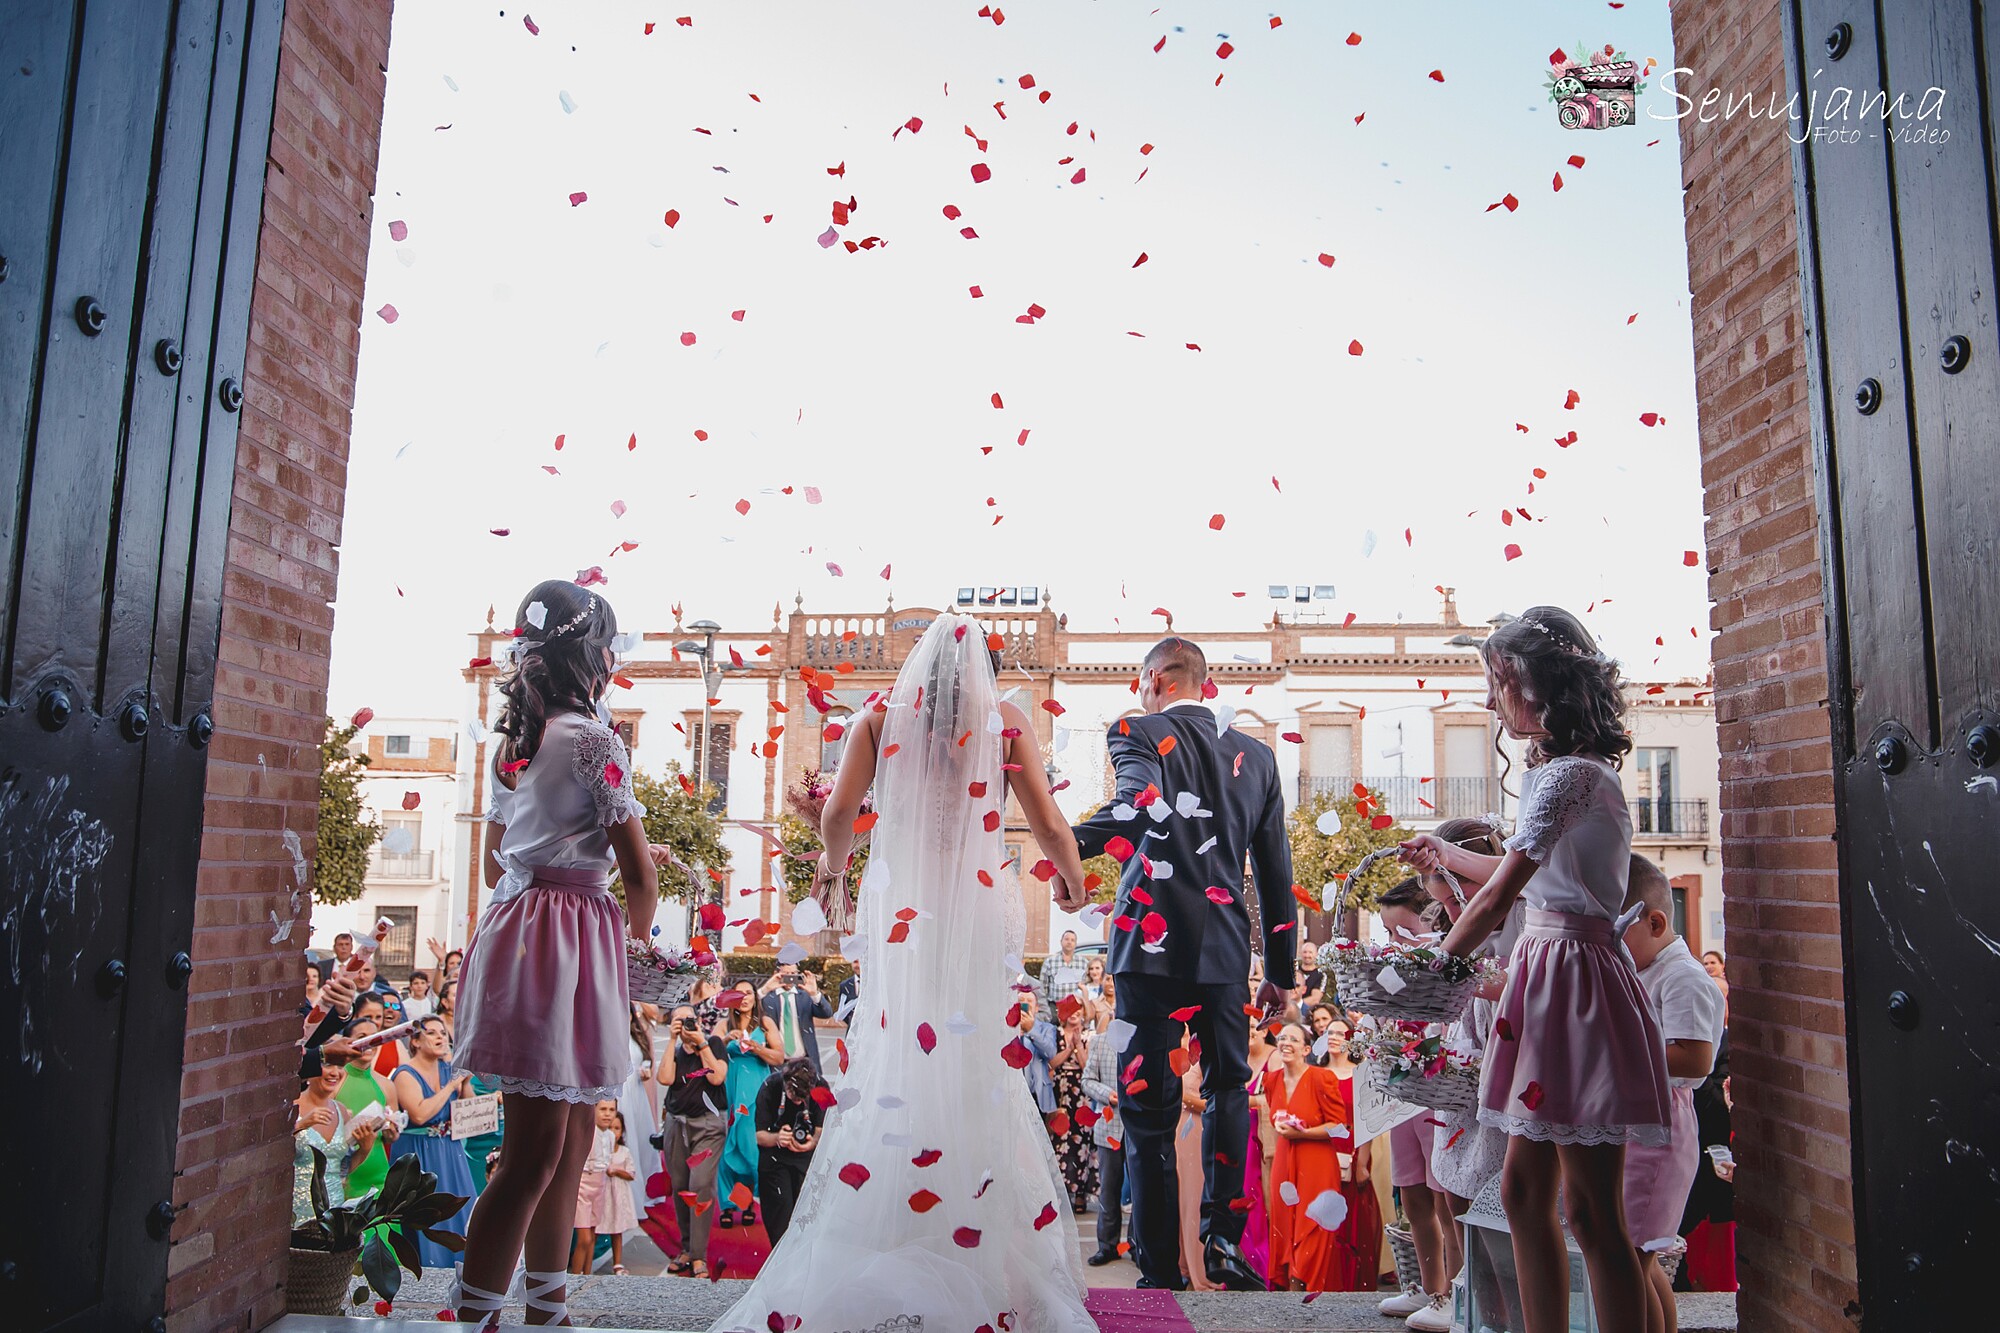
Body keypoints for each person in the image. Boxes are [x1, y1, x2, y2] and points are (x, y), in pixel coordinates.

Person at [711, 614, 1095, 1333]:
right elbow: (1046, 821)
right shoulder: (1006, 719)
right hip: (978, 908)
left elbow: (838, 814)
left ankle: (897, 1227)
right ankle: (977, 1245)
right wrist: (1071, 882)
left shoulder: (879, 717)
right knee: (974, 1058)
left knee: (900, 1057)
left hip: (905, 913)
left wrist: (833, 874)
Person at [1398, 605, 1671, 1333]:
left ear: (1534, 684)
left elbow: (1498, 897)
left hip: (1569, 988)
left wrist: (1435, 973)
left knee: (1588, 1208)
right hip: (1557, 981)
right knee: (1525, 1193)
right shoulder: (1575, 774)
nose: (1490, 701)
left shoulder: (1562, 778)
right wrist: (1448, 854)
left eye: (1497, 682)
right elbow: (1525, 874)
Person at [450, 580, 660, 1328]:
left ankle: (548, 1309)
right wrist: (643, 954)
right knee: (540, 1149)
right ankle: (477, 1313)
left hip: (520, 932)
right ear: (590, 656)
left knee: (568, 1136)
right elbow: (639, 873)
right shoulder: (598, 741)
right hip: (564, 945)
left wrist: (573, 855)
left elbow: (494, 861)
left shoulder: (518, 741)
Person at [1070, 636, 1297, 1293]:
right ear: (1205, 682)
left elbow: (1136, 808)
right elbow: (1276, 875)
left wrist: (1066, 846)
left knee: (1148, 1109)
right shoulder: (1256, 756)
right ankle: (1222, 1241)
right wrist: (1279, 970)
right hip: (1225, 950)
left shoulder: (1136, 728)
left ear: (1155, 679)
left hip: (1149, 944)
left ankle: (1161, 1265)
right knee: (1229, 1085)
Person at [1620, 855, 1726, 1333]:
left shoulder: (1683, 977)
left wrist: (1606, 1054)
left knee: (1632, 1254)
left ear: (1655, 921)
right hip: (1636, 1124)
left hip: (1660, 1132)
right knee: (1634, 1255)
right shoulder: (1646, 968)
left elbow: (1695, 1059)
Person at [1265, 1022, 1352, 1291]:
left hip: (1316, 1164)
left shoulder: (1321, 1078)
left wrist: (1301, 1133)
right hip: (1284, 1161)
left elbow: (1340, 1127)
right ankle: (1290, 1290)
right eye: (1282, 1038)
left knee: (1311, 1228)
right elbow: (1273, 1115)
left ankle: (1305, 1290)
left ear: (1306, 1049)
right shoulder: (1272, 1080)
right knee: (1284, 1225)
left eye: (1293, 1039)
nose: (1285, 1043)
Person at [386, 1016, 479, 1264]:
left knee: (460, 1208)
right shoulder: (405, 1074)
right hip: (419, 1150)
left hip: (450, 1148)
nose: (441, 1038)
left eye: (443, 1033)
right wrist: (450, 1087)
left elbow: (469, 1111)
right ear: (415, 1041)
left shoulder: (450, 1070)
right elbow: (419, 1114)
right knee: (426, 1214)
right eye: (432, 1033)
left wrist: (466, 1084)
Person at [657, 1002, 728, 1277]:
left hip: (708, 1127)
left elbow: (717, 1078)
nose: (685, 1025)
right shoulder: (674, 1050)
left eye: (688, 1020)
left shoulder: (713, 1044)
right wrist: (673, 1039)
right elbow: (664, 1078)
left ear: (698, 1020)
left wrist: (701, 1044)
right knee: (680, 1187)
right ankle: (687, 1248)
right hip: (678, 1124)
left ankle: (699, 1256)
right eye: (679, 1021)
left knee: (699, 1185)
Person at [1319, 1015, 1384, 1291]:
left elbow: (1367, 1121)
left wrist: (1363, 1161)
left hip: (1352, 1153)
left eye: (1339, 1033)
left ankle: (1353, 1281)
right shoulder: (1316, 1074)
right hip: (1322, 1153)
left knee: (1352, 1221)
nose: (1333, 1037)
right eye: (1328, 1032)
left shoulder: (1362, 1075)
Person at [294, 1052, 392, 1224]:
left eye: (340, 1066)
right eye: (327, 1065)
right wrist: (301, 1125)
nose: (335, 1072)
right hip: (296, 1208)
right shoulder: (293, 1105)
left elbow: (343, 1170)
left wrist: (364, 1149)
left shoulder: (340, 1110)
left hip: (334, 1208)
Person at [717, 982, 784, 1229]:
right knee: (726, 1147)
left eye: (748, 993)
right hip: (731, 1089)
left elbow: (779, 1056)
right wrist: (725, 1040)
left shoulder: (765, 1024)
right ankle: (727, 1204)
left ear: (755, 998)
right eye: (739, 994)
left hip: (756, 1090)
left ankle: (748, 1202)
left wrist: (757, 1047)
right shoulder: (725, 1025)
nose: (744, 998)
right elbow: (709, 1051)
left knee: (750, 1147)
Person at [332, 1009, 402, 1201]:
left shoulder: (386, 1085)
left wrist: (391, 1132)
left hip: (378, 1176)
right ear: (348, 1042)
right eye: (362, 1037)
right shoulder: (335, 1079)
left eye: (374, 1038)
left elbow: (392, 1132)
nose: (369, 1044)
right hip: (346, 1175)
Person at [1080, 1001, 1127, 1267]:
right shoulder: (1099, 1042)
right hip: (1109, 1124)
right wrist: (1107, 1095)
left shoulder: (1145, 1040)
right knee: (1108, 1190)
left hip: (1138, 1127)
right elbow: (1087, 1080)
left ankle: (1137, 1245)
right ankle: (1107, 1246)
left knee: (1141, 1192)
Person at [1241, 1015, 1281, 1287]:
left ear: (1266, 1030)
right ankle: (1243, 1261)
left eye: (1256, 1026)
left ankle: (1265, 1264)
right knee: (1242, 1196)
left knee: (1261, 1198)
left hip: (1264, 1138)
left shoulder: (1274, 1057)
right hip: (1241, 1135)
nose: (1251, 1031)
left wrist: (1247, 1100)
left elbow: (1278, 1095)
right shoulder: (1239, 1055)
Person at [1049, 996, 1098, 1212]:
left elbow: (1087, 1066)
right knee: (1062, 1139)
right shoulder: (1056, 1034)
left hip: (1083, 1092)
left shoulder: (1089, 1036)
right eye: (1071, 1011)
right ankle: (1062, 1192)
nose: (1075, 1014)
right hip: (1063, 1091)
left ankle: (1081, 1194)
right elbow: (1053, 1062)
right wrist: (1068, 1049)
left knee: (1083, 1140)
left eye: (1078, 1010)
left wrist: (1078, 1047)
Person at [569, 1100, 619, 1275]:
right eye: (603, 1109)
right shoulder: (588, 1133)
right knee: (584, 1238)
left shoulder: (611, 1136)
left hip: (600, 1186)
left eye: (612, 1110)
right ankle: (575, 1276)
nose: (607, 1114)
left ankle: (587, 1273)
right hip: (583, 1185)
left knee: (593, 1237)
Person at [759, 963, 833, 1077]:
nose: (790, 978)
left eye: (793, 974)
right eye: (786, 974)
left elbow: (826, 1013)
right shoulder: (767, 998)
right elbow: (749, 1007)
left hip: (804, 1062)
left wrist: (815, 994)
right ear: (776, 974)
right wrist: (764, 989)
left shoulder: (805, 996)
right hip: (777, 1063)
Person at [1038, 930, 1086, 1010]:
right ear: (1061, 941)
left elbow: (1086, 985)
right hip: (1054, 1006)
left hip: (1077, 1007)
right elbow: (1043, 987)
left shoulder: (1083, 963)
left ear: (1076, 944)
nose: (1069, 942)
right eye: (1066, 939)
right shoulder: (1050, 962)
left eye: (1072, 940)